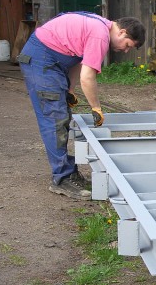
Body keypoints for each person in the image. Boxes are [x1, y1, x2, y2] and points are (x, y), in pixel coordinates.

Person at [18, 12, 145, 200]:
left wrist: (69, 89)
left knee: (61, 114)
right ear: (123, 32)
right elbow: (88, 77)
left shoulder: (99, 25)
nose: (125, 51)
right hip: (42, 59)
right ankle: (62, 179)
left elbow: (77, 58)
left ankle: (69, 172)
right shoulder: (99, 35)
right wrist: (96, 108)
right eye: (127, 46)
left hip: (48, 58)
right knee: (55, 118)